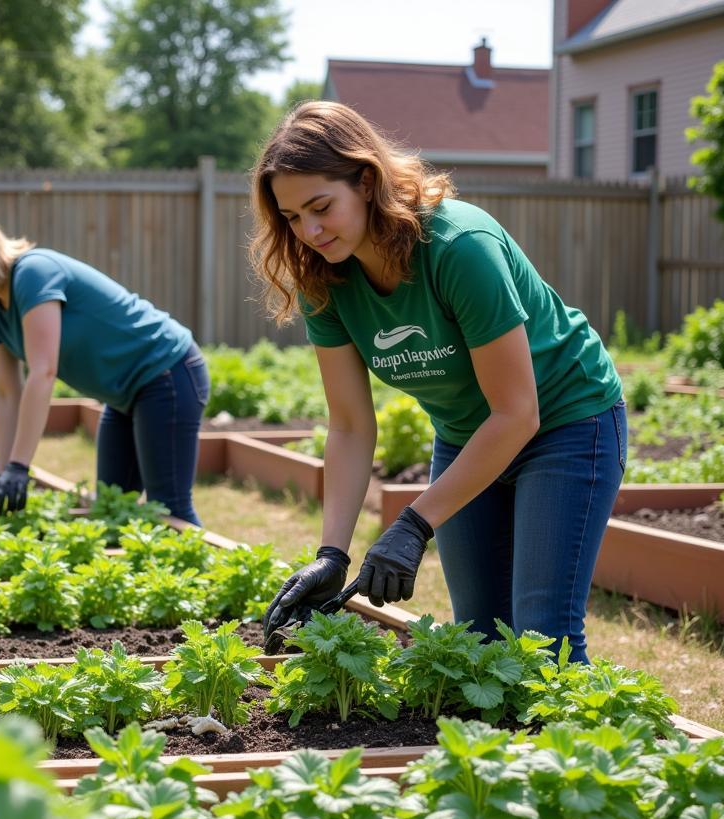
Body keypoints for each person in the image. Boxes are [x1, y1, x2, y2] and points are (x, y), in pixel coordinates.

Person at [256, 102, 626, 663]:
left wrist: (413, 523)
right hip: (465, 433)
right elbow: (351, 425)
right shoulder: (323, 278)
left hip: (565, 424)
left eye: (320, 206)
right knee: (476, 639)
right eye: (290, 216)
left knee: (542, 639)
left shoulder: (458, 247)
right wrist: (332, 554)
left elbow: (517, 414)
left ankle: (567, 753)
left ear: (366, 180)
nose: (307, 231)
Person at [0, 197, 209, 523]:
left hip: (167, 371)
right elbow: (6, 394)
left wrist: (19, 467)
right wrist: (0, 474)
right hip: (124, 395)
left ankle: (211, 574)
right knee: (111, 508)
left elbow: (43, 370)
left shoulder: (33, 274)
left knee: (170, 510)